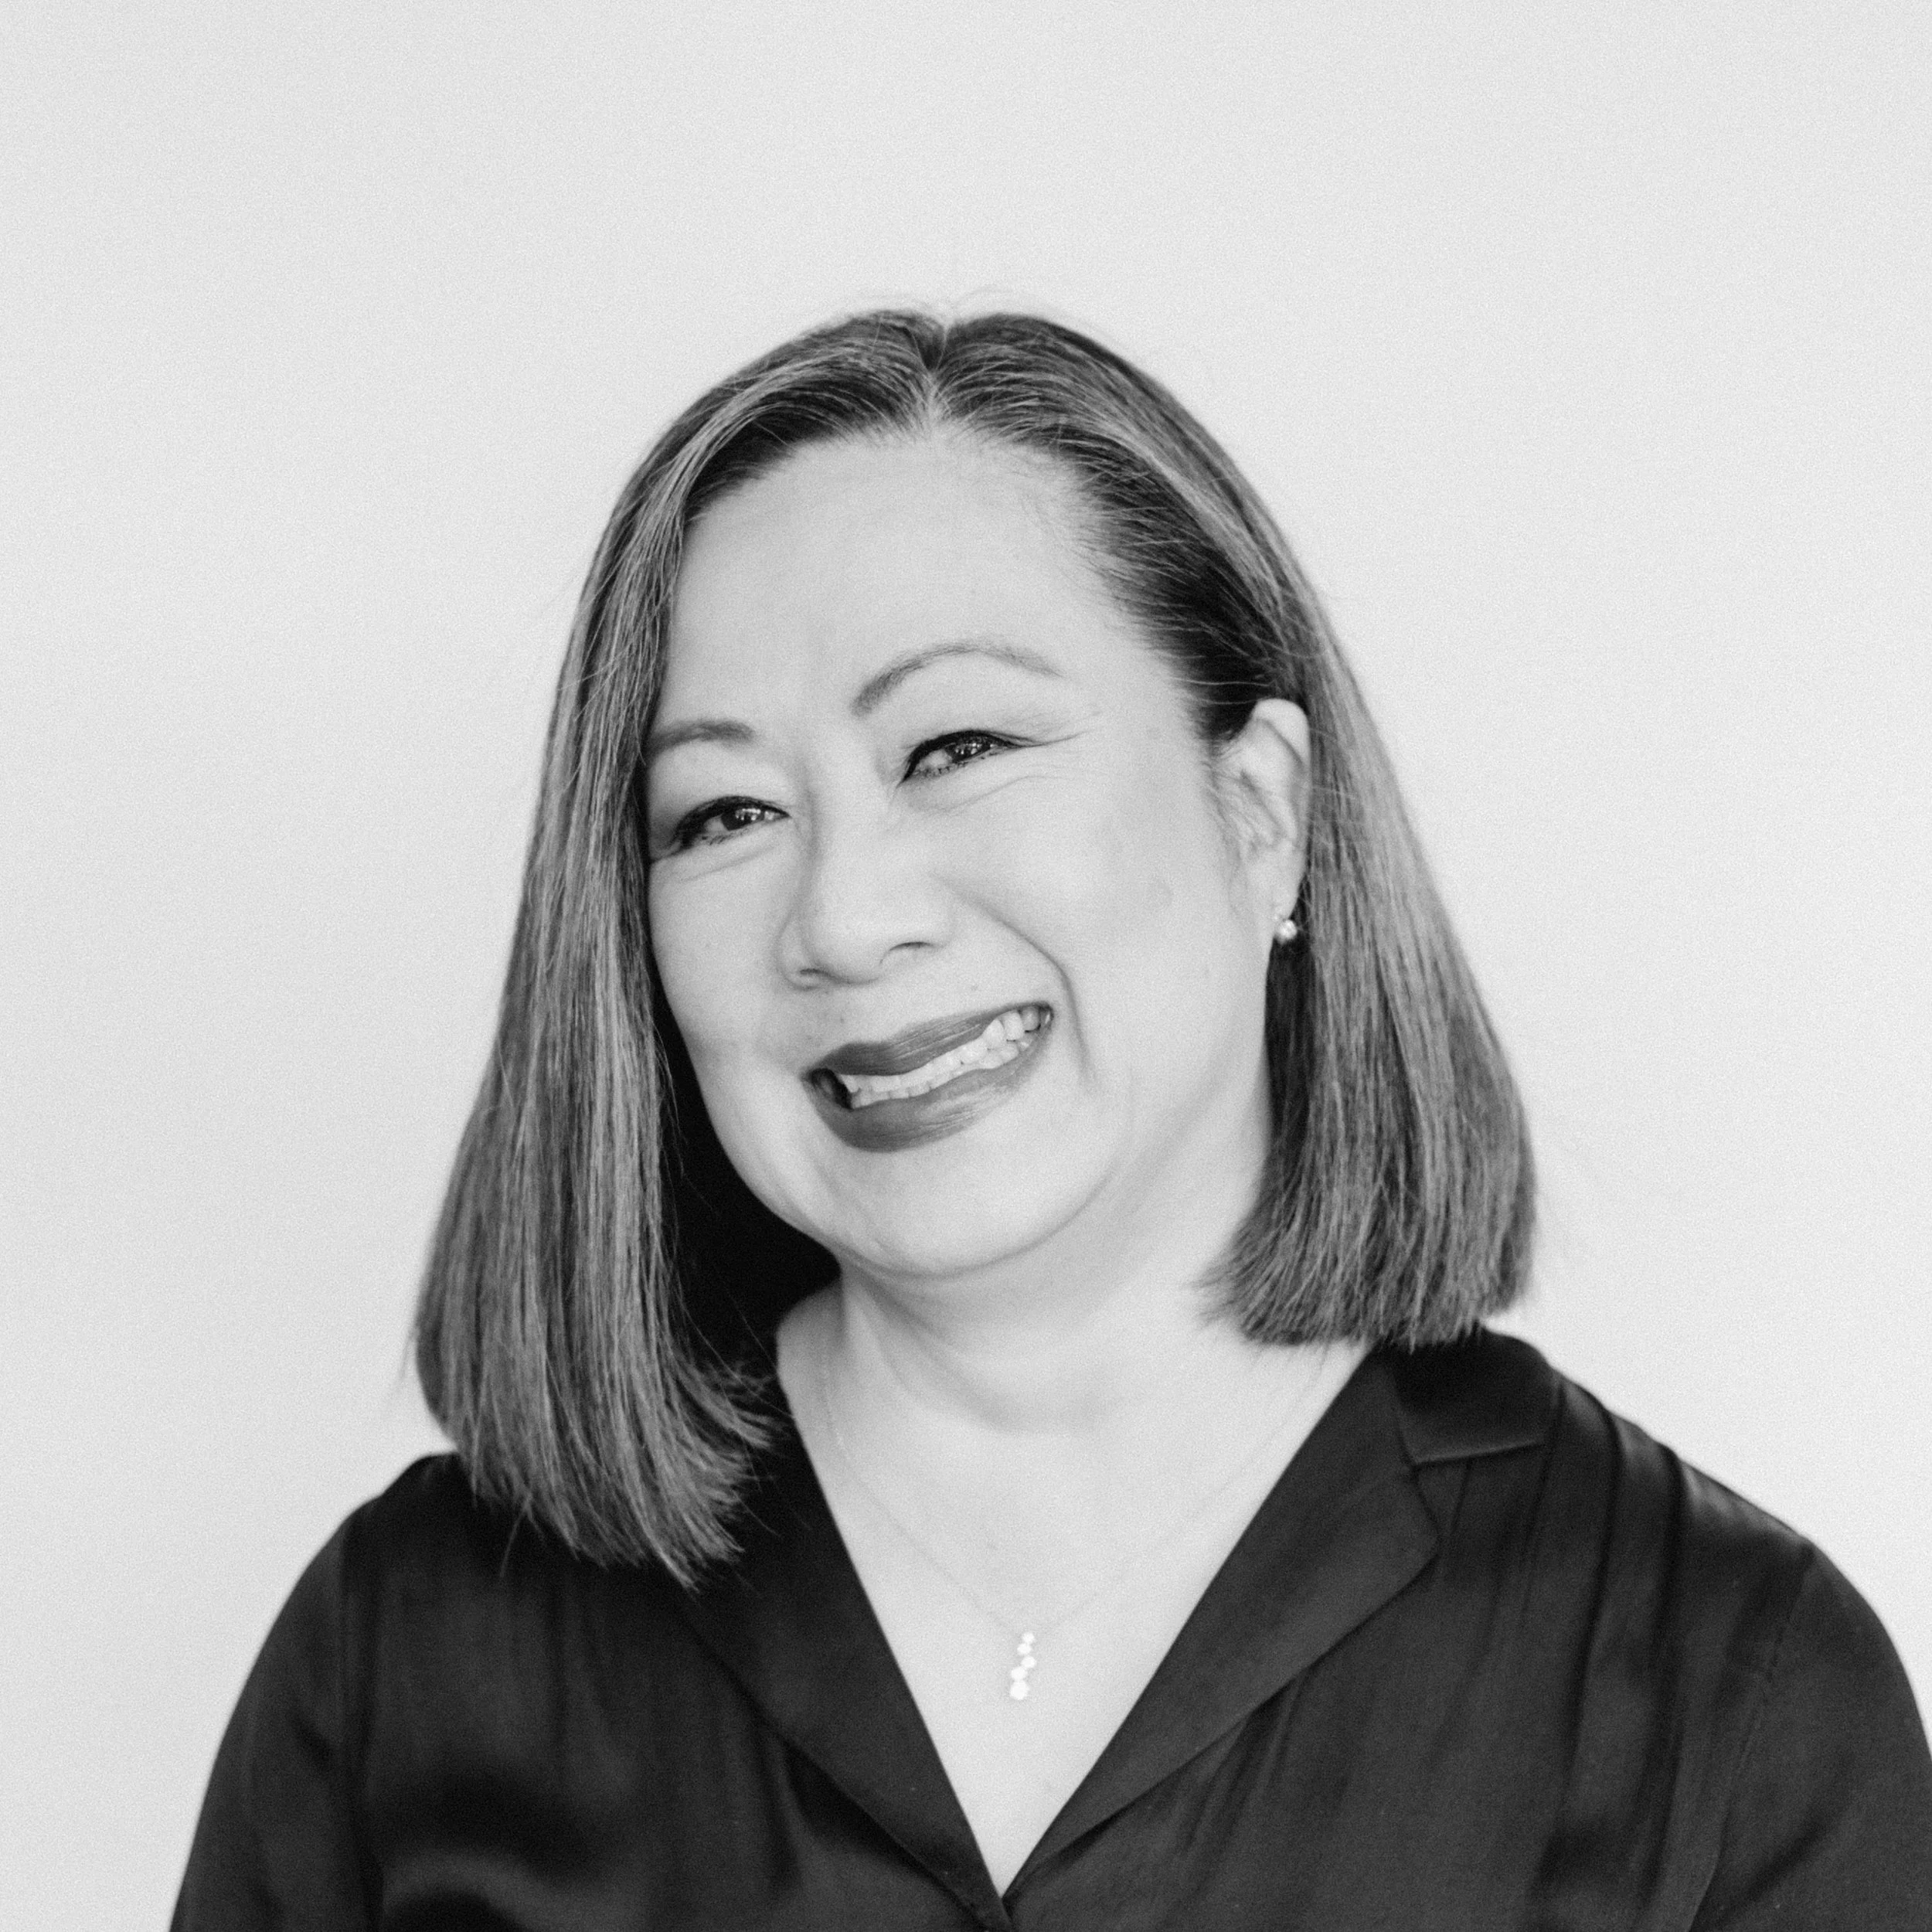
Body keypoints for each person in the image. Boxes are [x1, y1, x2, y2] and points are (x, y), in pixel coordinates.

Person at [174, 311, 1932, 1930]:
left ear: (1261, 815)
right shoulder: (407, 1648)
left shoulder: (1730, 1688)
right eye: (720, 813)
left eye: (953, 747)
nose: (843, 914)